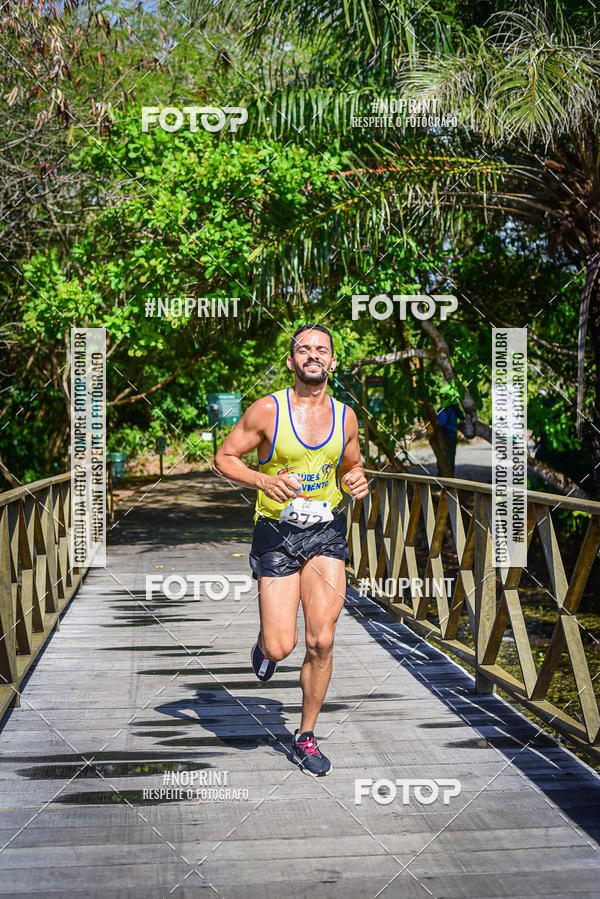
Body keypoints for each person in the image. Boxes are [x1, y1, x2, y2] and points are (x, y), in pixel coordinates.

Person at [212, 323, 369, 776]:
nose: (313, 355)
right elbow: (224, 458)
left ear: (333, 362)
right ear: (291, 361)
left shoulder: (346, 417)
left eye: (322, 349)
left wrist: (356, 481)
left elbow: (352, 467)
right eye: (304, 349)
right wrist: (264, 480)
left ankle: (305, 736)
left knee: (322, 639)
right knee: (284, 646)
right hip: (277, 533)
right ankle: (265, 647)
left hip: (325, 534)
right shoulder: (266, 411)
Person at [437, 403, 464, 475]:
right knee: (449, 458)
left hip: (446, 436)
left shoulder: (443, 409)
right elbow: (462, 417)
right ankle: (447, 476)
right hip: (449, 436)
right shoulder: (451, 409)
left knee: (445, 457)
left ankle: (445, 476)